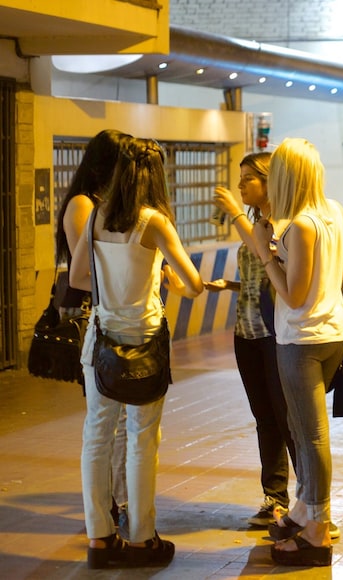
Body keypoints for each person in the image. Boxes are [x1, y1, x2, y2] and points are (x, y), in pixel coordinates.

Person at [69, 137, 203, 569]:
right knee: (142, 439)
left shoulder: (97, 216)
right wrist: (159, 275)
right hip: (142, 343)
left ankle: (100, 540)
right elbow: (194, 283)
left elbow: (77, 277)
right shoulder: (154, 222)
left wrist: (116, 290)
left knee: (96, 436)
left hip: (101, 342)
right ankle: (144, 539)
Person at [250, 138, 343, 567]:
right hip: (335, 334)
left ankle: (317, 531)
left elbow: (293, 296)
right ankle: (302, 510)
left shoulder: (300, 225)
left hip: (301, 340)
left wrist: (266, 254)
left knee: (310, 435)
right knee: (303, 428)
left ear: (285, 176)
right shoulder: (336, 212)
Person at [205, 152, 298, 529]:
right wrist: (229, 285)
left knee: (286, 416)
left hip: (275, 334)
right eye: (239, 179)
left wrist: (236, 213)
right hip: (246, 333)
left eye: (248, 179)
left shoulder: (280, 224)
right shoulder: (256, 222)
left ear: (268, 182)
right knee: (264, 418)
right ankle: (274, 498)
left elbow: (269, 258)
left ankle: (310, 501)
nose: (240, 185)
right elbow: (261, 278)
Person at [54, 129, 133, 530]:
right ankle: (112, 504)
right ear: (108, 163)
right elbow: (82, 273)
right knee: (108, 420)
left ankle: (115, 500)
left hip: (108, 314)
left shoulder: (104, 202)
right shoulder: (84, 204)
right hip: (95, 318)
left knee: (116, 419)